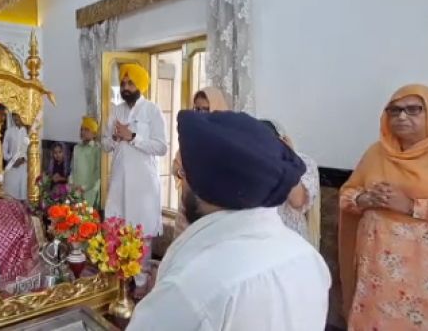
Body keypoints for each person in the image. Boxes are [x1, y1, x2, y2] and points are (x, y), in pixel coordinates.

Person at [128, 110, 330, 331]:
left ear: (206, 185)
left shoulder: (190, 287)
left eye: (182, 174)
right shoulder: (309, 259)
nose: (181, 186)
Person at [339, 84, 428, 330]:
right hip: (379, 274)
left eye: (413, 110)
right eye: (394, 110)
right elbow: (346, 194)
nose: (401, 116)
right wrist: (364, 199)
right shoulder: (377, 153)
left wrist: (413, 206)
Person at [102, 63, 167, 290]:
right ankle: (119, 277)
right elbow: (104, 144)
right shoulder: (116, 111)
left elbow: (161, 147)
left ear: (140, 85)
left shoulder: (152, 110)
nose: (125, 87)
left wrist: (133, 137)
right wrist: (113, 137)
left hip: (143, 182)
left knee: (142, 230)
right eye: (123, 83)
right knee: (116, 226)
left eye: (130, 83)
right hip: (120, 178)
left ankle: (140, 280)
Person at [173, 87, 232, 237]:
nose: (200, 114)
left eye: (205, 109)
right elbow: (177, 165)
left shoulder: (228, 140)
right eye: (197, 109)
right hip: (187, 209)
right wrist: (181, 172)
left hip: (213, 212)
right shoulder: (190, 137)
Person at [260, 119, 321, 246]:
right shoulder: (252, 164)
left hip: (291, 237)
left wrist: (287, 161)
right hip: (260, 235)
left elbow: (297, 200)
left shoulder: (305, 163)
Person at [70, 116, 101, 209]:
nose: (83, 132)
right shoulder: (77, 148)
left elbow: (97, 172)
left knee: (86, 217)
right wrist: (71, 182)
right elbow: (72, 168)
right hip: (75, 189)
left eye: (87, 130)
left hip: (89, 190)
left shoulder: (97, 149)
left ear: (94, 133)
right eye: (81, 129)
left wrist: (84, 187)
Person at [2, 112, 28, 200]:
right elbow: (4, 150)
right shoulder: (9, 131)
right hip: (12, 166)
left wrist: (24, 159)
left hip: (25, 167)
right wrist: (10, 159)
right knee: (10, 194)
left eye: (18, 115)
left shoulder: (29, 131)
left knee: (23, 193)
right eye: (14, 115)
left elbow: (32, 149)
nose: (16, 117)